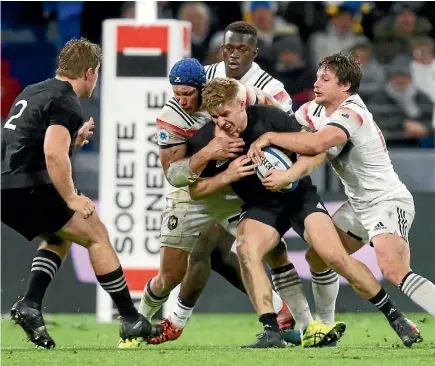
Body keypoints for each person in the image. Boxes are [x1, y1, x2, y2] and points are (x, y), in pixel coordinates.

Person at [193, 76, 422, 348]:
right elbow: (195, 190)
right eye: (214, 116)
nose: (221, 122)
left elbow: (316, 151)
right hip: (262, 207)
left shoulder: (270, 119)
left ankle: (396, 318)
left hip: (299, 196)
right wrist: (225, 174)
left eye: (225, 114)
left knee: (333, 256)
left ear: (241, 104)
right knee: (245, 249)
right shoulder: (208, 140)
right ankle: (271, 332)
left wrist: (288, 175)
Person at [248, 53, 430, 346]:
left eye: (325, 79)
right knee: (317, 258)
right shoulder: (313, 111)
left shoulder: (352, 112)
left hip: (387, 200)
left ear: (345, 85)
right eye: (318, 76)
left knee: (394, 271)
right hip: (358, 206)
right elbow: (286, 122)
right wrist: (251, 99)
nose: (316, 83)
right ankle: (325, 328)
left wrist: (268, 138)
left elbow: (316, 143)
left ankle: (404, 319)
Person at [118, 57, 298, 349]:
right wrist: (209, 152)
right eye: (177, 94)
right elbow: (174, 175)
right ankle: (137, 322)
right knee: (170, 276)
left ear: (203, 89)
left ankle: (302, 321)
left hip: (235, 189)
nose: (182, 100)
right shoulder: (171, 117)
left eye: (188, 94)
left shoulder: (229, 94)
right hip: (193, 192)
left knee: (268, 249)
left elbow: (266, 102)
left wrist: (273, 140)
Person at [1, 38, 161, 349]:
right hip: (28, 186)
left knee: (60, 237)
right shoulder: (67, 101)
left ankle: (30, 304)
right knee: (95, 233)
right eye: (97, 73)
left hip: (7, 186)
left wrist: (72, 138)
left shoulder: (32, 90)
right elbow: (52, 155)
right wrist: (71, 197)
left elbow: (26, 141)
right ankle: (130, 319)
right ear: (89, 72)